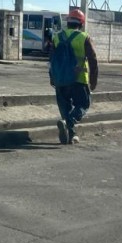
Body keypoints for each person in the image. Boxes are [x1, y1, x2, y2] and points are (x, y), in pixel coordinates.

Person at [50, 8, 98, 145]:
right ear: (81, 24)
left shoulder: (57, 37)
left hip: (60, 78)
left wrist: (52, 77)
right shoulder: (84, 37)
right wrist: (93, 81)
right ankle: (68, 123)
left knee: (65, 107)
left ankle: (70, 135)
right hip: (79, 78)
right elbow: (93, 60)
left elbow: (51, 61)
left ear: (68, 23)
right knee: (83, 104)